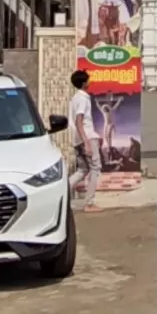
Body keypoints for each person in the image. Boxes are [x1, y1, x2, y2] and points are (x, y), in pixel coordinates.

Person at [68, 70, 103, 213]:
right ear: (84, 83)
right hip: (86, 137)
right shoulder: (83, 99)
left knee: (82, 170)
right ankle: (89, 202)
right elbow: (79, 120)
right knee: (95, 168)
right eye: (88, 80)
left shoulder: (75, 98)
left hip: (78, 138)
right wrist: (87, 142)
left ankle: (61, 191)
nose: (90, 81)